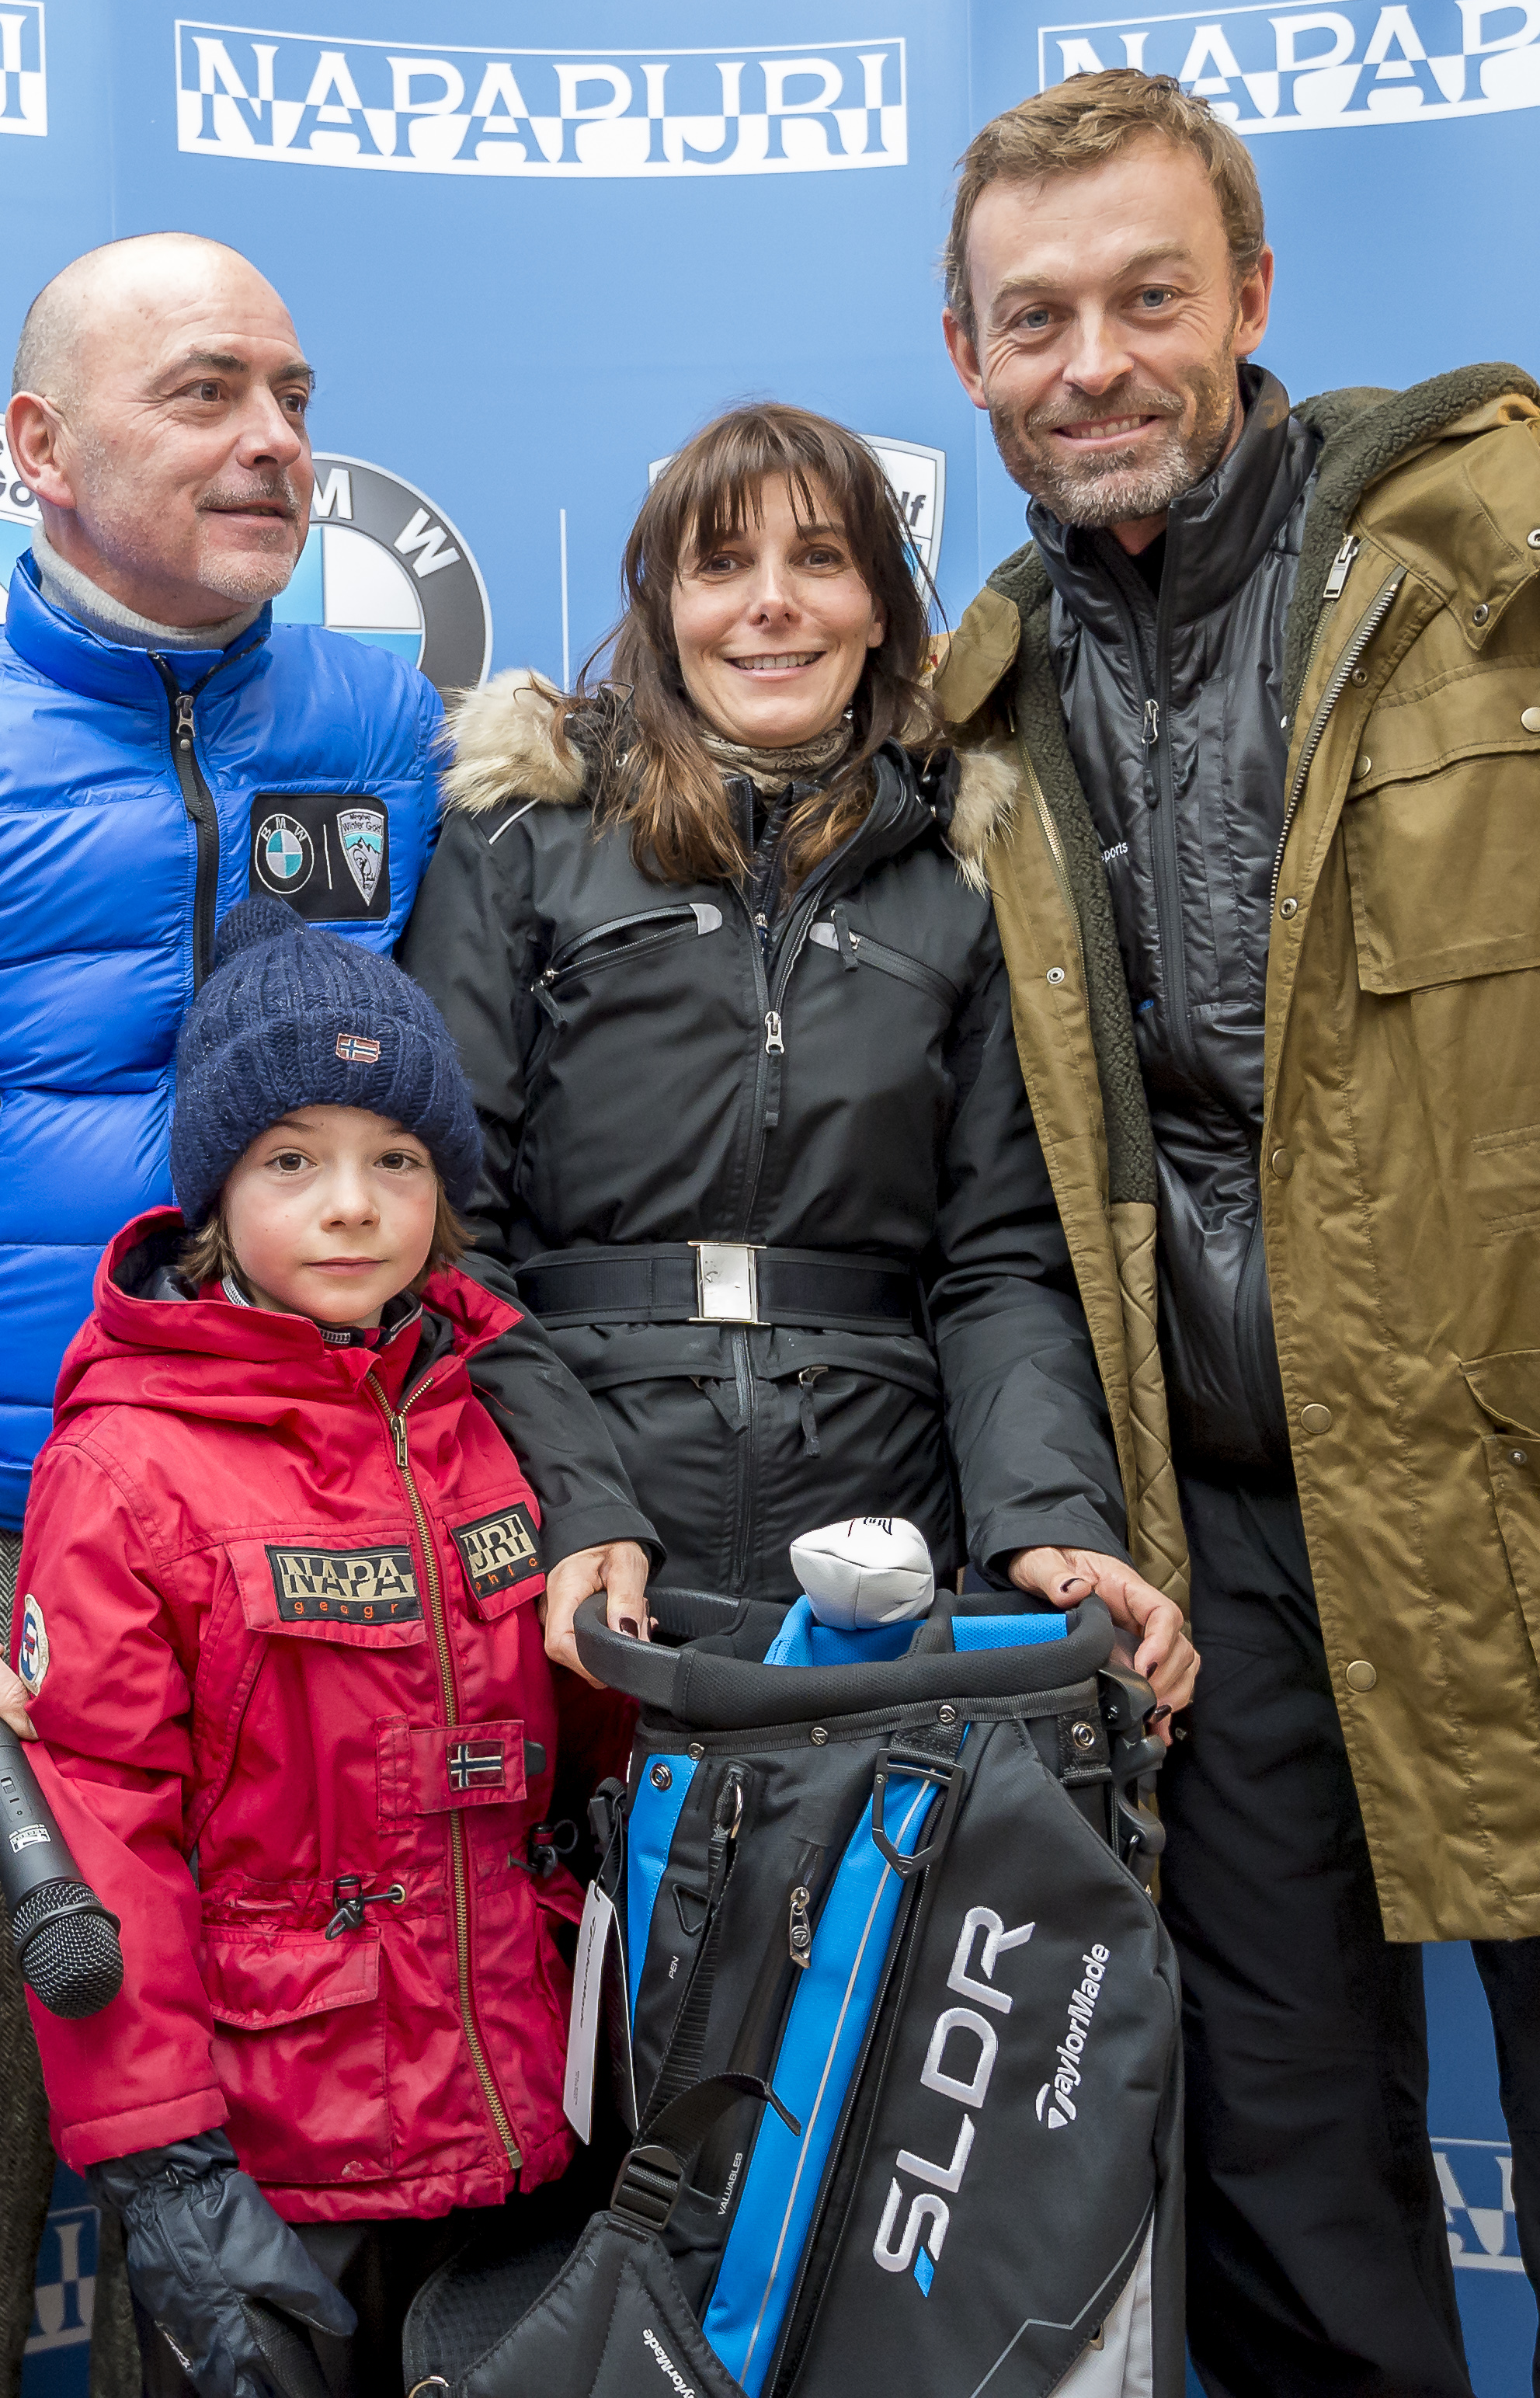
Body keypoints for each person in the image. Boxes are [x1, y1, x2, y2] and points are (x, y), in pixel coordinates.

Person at [925, 68, 1540, 2396]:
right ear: (964, 356)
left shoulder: (1516, 539)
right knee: (1285, 2233)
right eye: (1038, 317)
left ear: (1254, 297)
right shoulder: (977, 690)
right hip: (1225, 1575)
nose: (1098, 363)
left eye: (1151, 297)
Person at [0, 231, 649, 2398]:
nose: (274, 442)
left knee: (269, 2196)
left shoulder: (382, 723)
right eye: (207, 393)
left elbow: (453, 1115)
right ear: (38, 445)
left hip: (313, 1555)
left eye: (295, 395)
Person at [404, 402, 1185, 1714]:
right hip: (570, 1517)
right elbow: (440, 1238)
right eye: (722, 566)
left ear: (882, 604)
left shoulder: (963, 873)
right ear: (664, 609)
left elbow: (1000, 1263)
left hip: (879, 1537)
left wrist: (1052, 1520)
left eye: (820, 561)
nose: (772, 605)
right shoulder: (520, 839)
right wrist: (579, 1499)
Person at [16, 900, 593, 2398]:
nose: (353, 1207)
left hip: (512, 2123)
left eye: (396, 1161)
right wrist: (170, 2178)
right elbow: (97, 1839)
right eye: (293, 1163)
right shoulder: (129, 1465)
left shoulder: (487, 1412)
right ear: (213, 1199)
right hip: (276, 2171)